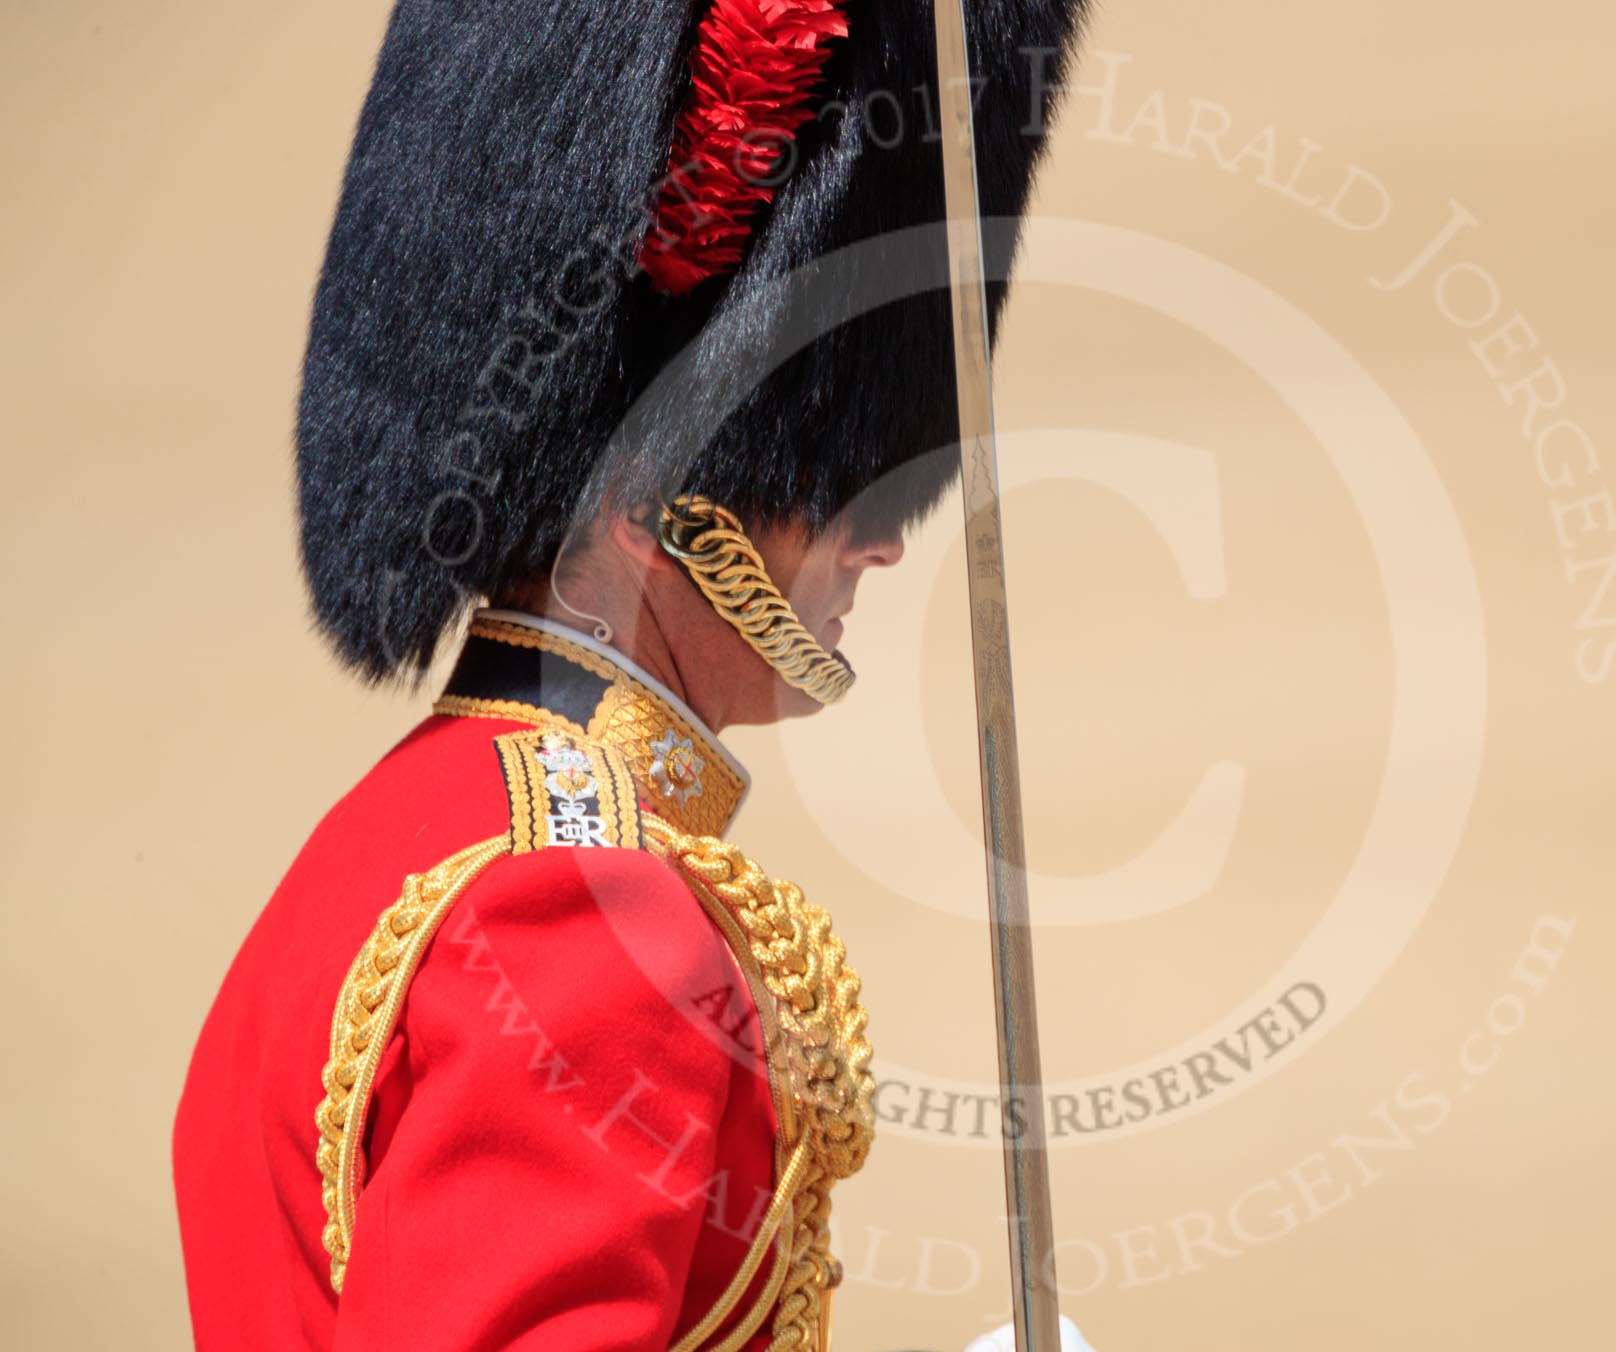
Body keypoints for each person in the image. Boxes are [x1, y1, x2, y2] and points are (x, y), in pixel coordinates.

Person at [171, 0, 1091, 1348]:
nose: (885, 539)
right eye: (827, 479)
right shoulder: (583, 928)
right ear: (655, 504)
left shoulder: (396, 837)